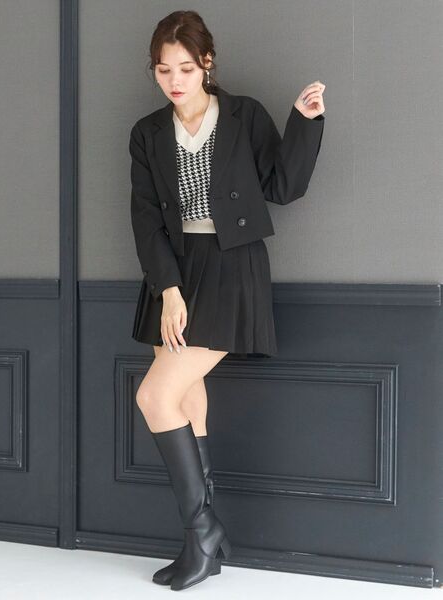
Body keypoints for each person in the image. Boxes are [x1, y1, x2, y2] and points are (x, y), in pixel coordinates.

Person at [128, 10, 325, 591]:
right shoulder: (147, 132)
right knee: (186, 395)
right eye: (164, 69)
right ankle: (203, 546)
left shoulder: (244, 116)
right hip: (175, 272)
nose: (174, 80)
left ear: (206, 64)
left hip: (232, 265)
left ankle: (204, 530)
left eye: (186, 68)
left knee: (154, 395)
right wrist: (167, 289)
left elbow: (283, 187)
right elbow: (145, 218)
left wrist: (305, 122)